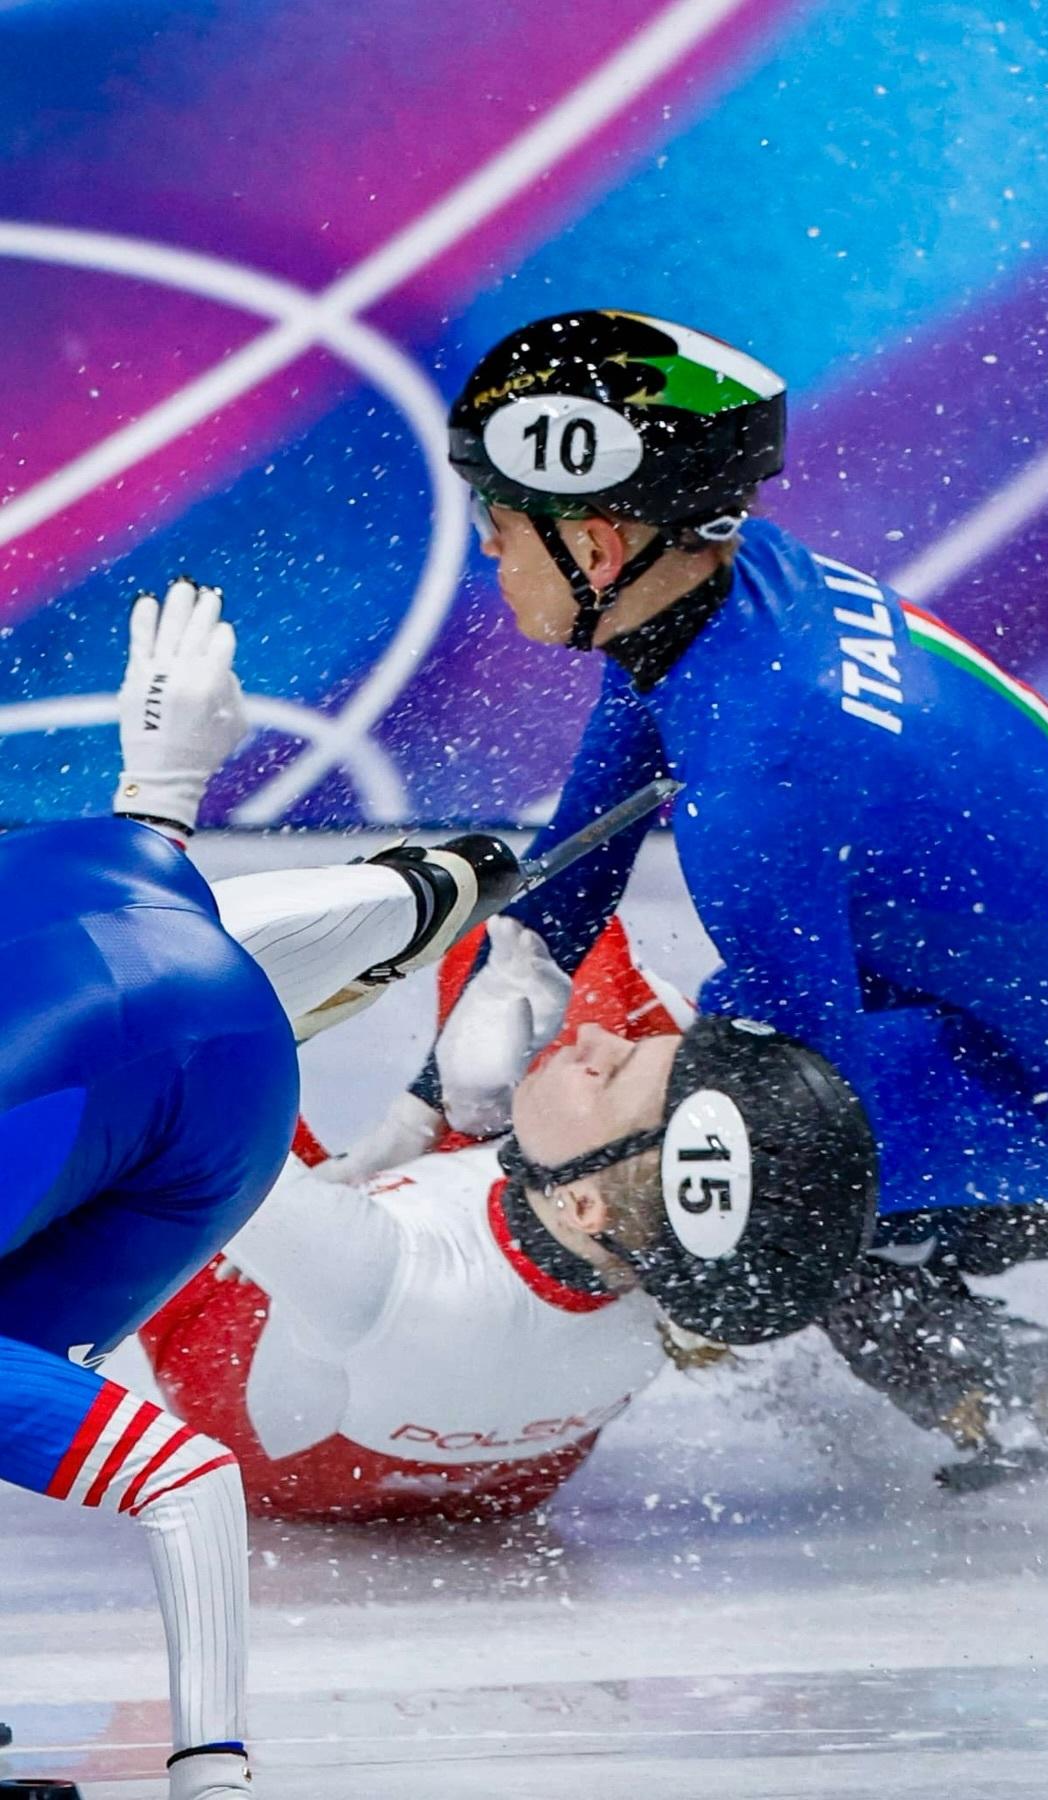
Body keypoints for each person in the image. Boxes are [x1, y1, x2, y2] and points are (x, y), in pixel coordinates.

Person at [336, 308, 1048, 1473]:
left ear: (596, 550)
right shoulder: (727, 597)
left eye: (499, 529)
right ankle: (942, 1223)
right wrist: (424, 1100)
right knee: (669, 1058)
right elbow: (579, 861)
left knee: (643, 1174)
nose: (489, 558)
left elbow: (796, 1132)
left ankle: (948, 1327)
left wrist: (549, 1212)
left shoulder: (756, 790)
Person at [0, 581, 551, 1799]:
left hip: (203, 1070)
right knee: (152, 953)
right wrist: (161, 786)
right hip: (90, 889)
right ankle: (421, 891)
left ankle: (416, 896)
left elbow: (190, 1479)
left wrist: (212, 1772)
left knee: (170, 1012)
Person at [143, 919, 701, 1523]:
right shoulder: (693, 1257)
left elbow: (180, 1096)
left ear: (585, 1204)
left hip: (275, 1440)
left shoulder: (384, 1270)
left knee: (157, 1047)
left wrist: (422, 1108)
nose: (596, 1038)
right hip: (517, 1476)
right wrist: (442, 1110)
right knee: (547, 954)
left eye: (608, 1072)